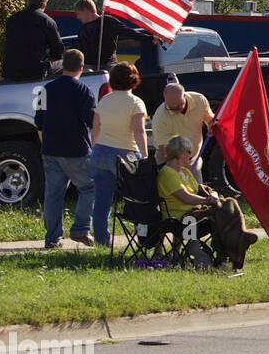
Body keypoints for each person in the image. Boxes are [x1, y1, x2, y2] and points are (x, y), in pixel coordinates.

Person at [158, 135, 258, 268]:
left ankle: (234, 243)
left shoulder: (185, 172)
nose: (191, 155)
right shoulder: (167, 173)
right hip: (180, 217)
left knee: (229, 203)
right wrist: (206, 201)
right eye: (189, 152)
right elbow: (185, 197)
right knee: (222, 212)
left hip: (195, 212)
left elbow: (199, 189)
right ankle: (234, 244)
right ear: (181, 154)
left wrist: (211, 194)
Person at [35, 49, 96, 249]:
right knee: (89, 188)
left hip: (51, 148)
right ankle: (80, 229)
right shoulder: (84, 90)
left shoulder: (45, 89)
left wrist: (44, 146)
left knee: (53, 195)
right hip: (76, 149)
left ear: (63, 66)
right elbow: (92, 122)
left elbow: (39, 122)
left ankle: (52, 238)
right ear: (81, 67)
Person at [89, 61, 148, 248]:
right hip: (126, 153)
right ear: (134, 80)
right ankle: (143, 239)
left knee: (101, 201)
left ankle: (102, 242)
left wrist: (95, 148)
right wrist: (144, 156)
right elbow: (139, 131)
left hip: (101, 151)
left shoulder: (104, 100)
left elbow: (95, 128)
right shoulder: (136, 102)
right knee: (138, 200)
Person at [151, 82, 214, 179]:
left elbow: (210, 119)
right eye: (170, 108)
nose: (175, 111)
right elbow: (164, 150)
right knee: (172, 188)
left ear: (185, 96)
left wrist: (211, 126)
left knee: (198, 188)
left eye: (178, 107)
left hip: (192, 157)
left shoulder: (199, 100)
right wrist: (177, 171)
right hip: (168, 158)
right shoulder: (160, 116)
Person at [2, 0, 64, 82]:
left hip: (10, 71)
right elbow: (58, 51)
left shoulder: (11, 20)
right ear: (44, 4)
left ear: (28, 1)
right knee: (64, 63)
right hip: (35, 72)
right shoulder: (47, 21)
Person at [74, 0, 135, 68]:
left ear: (85, 10)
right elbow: (80, 51)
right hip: (89, 68)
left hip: (108, 65)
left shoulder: (107, 21)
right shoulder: (82, 30)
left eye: (78, 13)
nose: (77, 17)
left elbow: (127, 32)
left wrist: (148, 38)